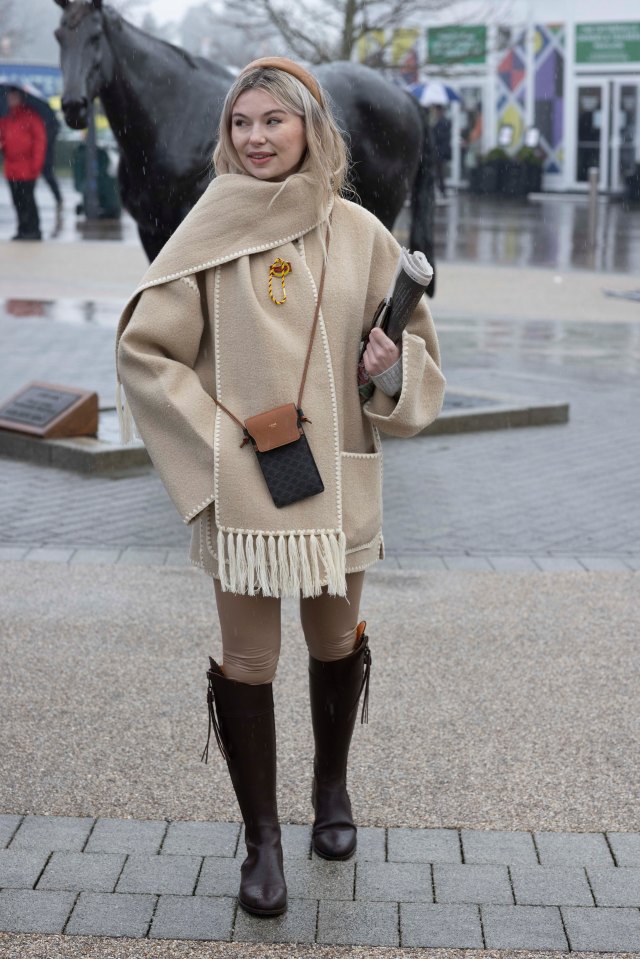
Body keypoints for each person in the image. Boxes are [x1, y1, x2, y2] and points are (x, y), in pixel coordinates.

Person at [116, 57, 445, 918]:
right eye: (241, 123)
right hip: (246, 494)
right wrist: (220, 453)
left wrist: (387, 373)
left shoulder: (364, 233)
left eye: (274, 121)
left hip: (336, 483)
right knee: (248, 662)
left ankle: (330, 789)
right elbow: (145, 355)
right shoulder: (205, 233)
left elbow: (418, 369)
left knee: (336, 643)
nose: (255, 138)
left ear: (310, 128)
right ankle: (262, 838)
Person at [0, 87, 46, 240]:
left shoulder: (32, 117)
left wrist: (36, 165)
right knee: (17, 200)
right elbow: (4, 138)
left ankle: (34, 229)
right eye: (10, 97)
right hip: (11, 168)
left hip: (27, 168)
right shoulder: (7, 119)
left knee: (27, 200)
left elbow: (40, 142)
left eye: (14, 97)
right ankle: (23, 229)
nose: (11, 100)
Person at [431, 104, 452, 197]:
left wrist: (433, 129)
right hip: (439, 150)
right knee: (439, 171)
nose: (435, 112)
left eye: (436, 110)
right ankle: (442, 190)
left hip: (440, 150)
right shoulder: (440, 121)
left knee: (439, 172)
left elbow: (441, 136)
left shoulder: (443, 122)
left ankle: (442, 190)